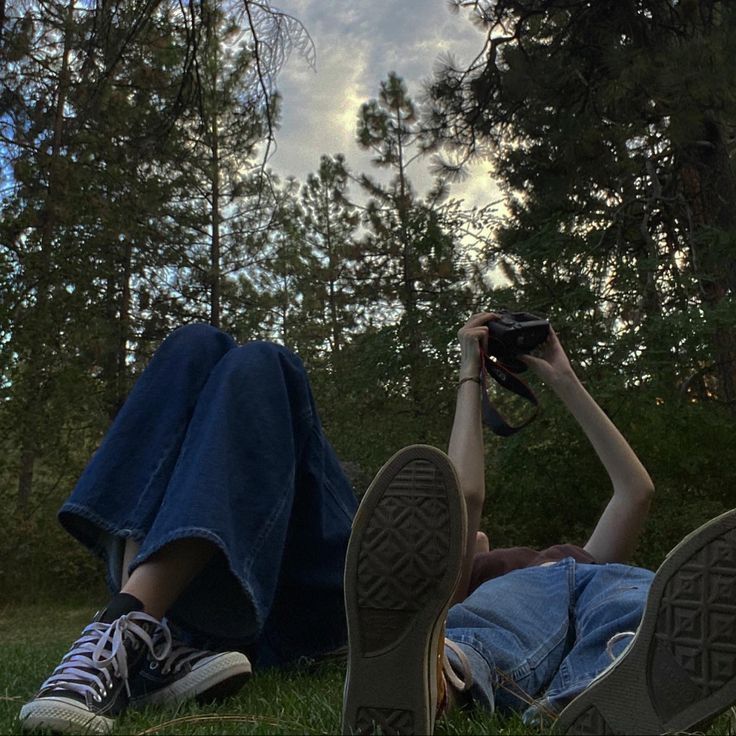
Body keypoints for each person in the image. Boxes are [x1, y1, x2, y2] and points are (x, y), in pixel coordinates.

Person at [341, 312, 736, 735]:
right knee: (491, 630)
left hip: (600, 584)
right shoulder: (466, 582)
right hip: (517, 609)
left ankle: (621, 682)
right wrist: (469, 373)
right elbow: (462, 496)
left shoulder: (588, 564)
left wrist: (564, 376)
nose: (476, 536)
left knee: (632, 603)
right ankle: (438, 677)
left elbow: (635, 491)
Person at [19, 324, 359, 734]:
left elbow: (461, 491)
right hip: (208, 623)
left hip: (310, 608)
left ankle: (129, 628)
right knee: (195, 343)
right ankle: (145, 635)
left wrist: (465, 368)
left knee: (265, 363)